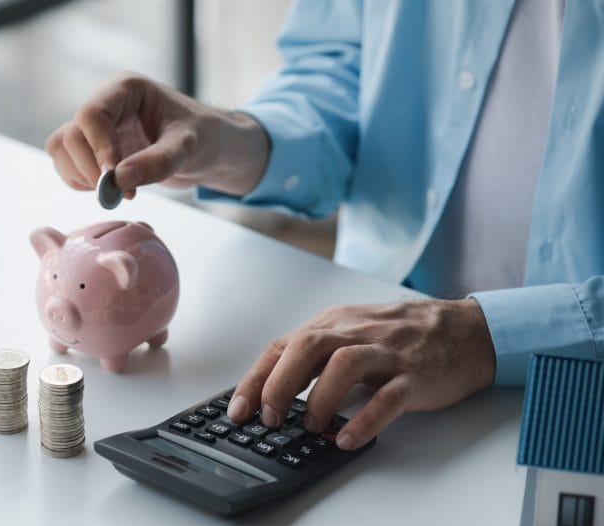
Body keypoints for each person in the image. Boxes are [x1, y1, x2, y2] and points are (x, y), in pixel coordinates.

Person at [45, 0, 603, 452]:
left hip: (573, 383)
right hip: (365, 337)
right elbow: (337, 73)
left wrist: (483, 336)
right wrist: (226, 139)